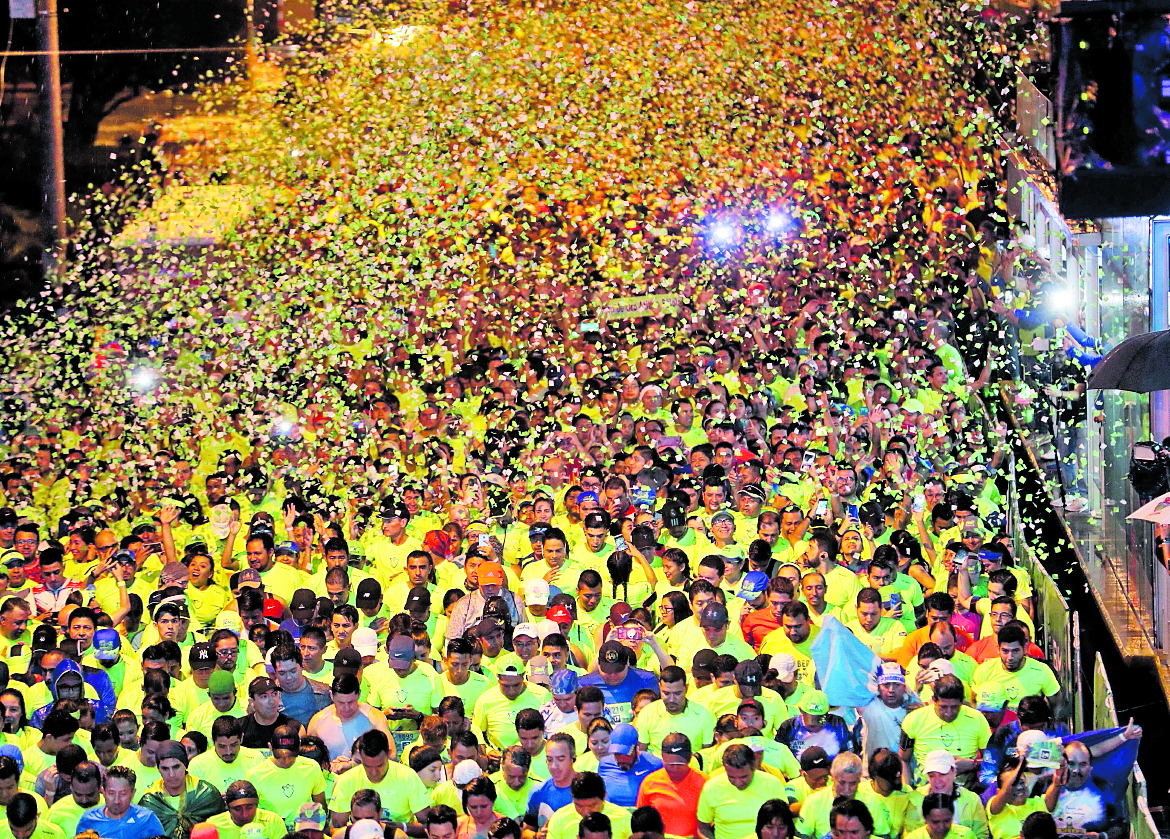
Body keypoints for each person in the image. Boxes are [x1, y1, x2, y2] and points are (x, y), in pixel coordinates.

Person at [328, 729, 431, 828]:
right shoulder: (346, 780)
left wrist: (396, 828)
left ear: (389, 754)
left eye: (379, 765)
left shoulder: (407, 776)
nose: (374, 772)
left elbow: (428, 825)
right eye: (367, 766)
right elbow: (336, 828)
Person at [899, 676, 990, 786]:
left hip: (965, 791)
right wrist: (907, 789)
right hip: (926, 791)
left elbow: (992, 762)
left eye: (955, 707)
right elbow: (904, 760)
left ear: (962, 701)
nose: (948, 713)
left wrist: (972, 765)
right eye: (943, 707)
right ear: (934, 700)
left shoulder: (977, 719)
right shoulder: (913, 720)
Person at [137, 740, 225, 839]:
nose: (171, 774)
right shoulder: (150, 801)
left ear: (185, 765)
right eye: (165, 768)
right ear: (158, 769)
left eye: (176, 767)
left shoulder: (206, 794)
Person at [696, 744, 786, 839]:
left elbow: (783, 825)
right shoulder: (712, 787)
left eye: (744, 777)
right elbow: (703, 828)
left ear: (754, 767)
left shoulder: (772, 784)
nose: (738, 782)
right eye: (731, 777)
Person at [796, 752, 893, 839]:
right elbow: (800, 836)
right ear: (832, 778)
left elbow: (883, 836)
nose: (847, 790)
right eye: (842, 783)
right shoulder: (814, 802)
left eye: (853, 783)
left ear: (859, 780)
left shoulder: (873, 803)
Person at [244, 726, 327, 827]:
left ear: (299, 747)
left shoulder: (311, 767)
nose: (286, 760)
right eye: (279, 756)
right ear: (270, 747)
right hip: (269, 830)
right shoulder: (255, 774)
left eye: (291, 756)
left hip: (302, 828)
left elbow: (320, 806)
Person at [635, 733, 707, 839]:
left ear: (689, 759)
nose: (674, 768)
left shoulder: (705, 783)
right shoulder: (649, 783)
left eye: (679, 764)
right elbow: (641, 820)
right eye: (670, 764)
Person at [473, 654, 550, 750]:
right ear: (498, 678)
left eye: (516, 685)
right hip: (499, 756)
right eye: (506, 686)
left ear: (523, 676)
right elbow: (477, 732)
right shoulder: (485, 700)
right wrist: (488, 751)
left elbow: (551, 730)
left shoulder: (542, 696)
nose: (511, 691)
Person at [307, 674, 390, 762]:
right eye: (341, 703)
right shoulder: (318, 721)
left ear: (358, 694)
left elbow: (391, 755)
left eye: (351, 702)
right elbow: (308, 761)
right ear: (331, 696)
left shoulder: (374, 718)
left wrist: (354, 764)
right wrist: (330, 765)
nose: (346, 708)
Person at [1052, 741, 1126, 839]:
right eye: (1071, 763)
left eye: (1082, 764)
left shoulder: (1104, 788)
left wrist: (1101, 836)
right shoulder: (1050, 788)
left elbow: (1120, 827)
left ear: (1090, 767)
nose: (1076, 770)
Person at [634, 665, 715, 755]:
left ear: (686, 688)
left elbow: (707, 755)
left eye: (677, 693)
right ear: (659, 688)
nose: (671, 699)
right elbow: (641, 753)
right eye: (666, 693)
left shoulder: (704, 715)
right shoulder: (647, 713)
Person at [577, 641, 657, 725]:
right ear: (599, 665)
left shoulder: (647, 681)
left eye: (618, 670)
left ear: (627, 663)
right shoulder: (582, 685)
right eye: (607, 671)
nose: (612, 675)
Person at [76, 766, 166, 839]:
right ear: (103, 792)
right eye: (111, 793)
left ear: (132, 793)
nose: (116, 800)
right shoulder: (88, 819)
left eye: (123, 794)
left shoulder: (147, 819)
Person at [188, 717, 263, 796]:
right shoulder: (197, 765)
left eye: (233, 745)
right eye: (222, 746)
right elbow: (192, 800)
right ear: (212, 741)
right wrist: (213, 799)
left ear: (241, 738)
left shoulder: (256, 758)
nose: (228, 752)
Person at [544, 772, 632, 839]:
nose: (586, 812)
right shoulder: (559, 819)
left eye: (592, 805)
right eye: (579, 806)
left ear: (604, 797)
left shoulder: (624, 818)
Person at [595, 723, 663, 808]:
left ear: (637, 747)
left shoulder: (655, 765)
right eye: (617, 754)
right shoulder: (604, 764)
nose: (622, 759)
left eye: (627, 754)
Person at [524, 732, 578, 834]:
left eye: (560, 759)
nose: (554, 766)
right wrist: (537, 836)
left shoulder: (588, 789)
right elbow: (527, 830)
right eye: (549, 760)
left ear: (573, 758)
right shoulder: (538, 791)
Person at [268, 644, 331, 727]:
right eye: (282, 673)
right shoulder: (268, 697)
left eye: (293, 671)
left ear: (302, 666)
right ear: (275, 672)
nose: (288, 677)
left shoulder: (323, 693)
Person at [202, 780, 285, 839]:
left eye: (249, 808)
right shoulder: (213, 826)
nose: (244, 815)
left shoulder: (272, 820)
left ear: (257, 805)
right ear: (228, 807)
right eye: (237, 809)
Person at [904, 794, 976, 839]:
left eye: (946, 821)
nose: (941, 826)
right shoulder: (913, 837)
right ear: (925, 818)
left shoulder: (966, 835)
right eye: (935, 822)